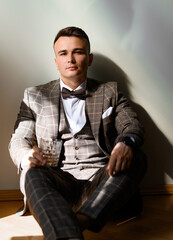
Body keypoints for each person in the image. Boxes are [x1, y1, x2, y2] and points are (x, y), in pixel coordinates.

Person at [9, 26, 147, 240]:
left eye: (78, 52)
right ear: (56, 61)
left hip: (101, 181)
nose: (70, 59)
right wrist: (25, 155)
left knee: (136, 155)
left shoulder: (109, 91)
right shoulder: (35, 95)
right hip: (58, 182)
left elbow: (132, 125)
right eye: (63, 53)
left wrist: (125, 142)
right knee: (32, 173)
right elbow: (19, 139)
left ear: (89, 58)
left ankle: (81, 219)